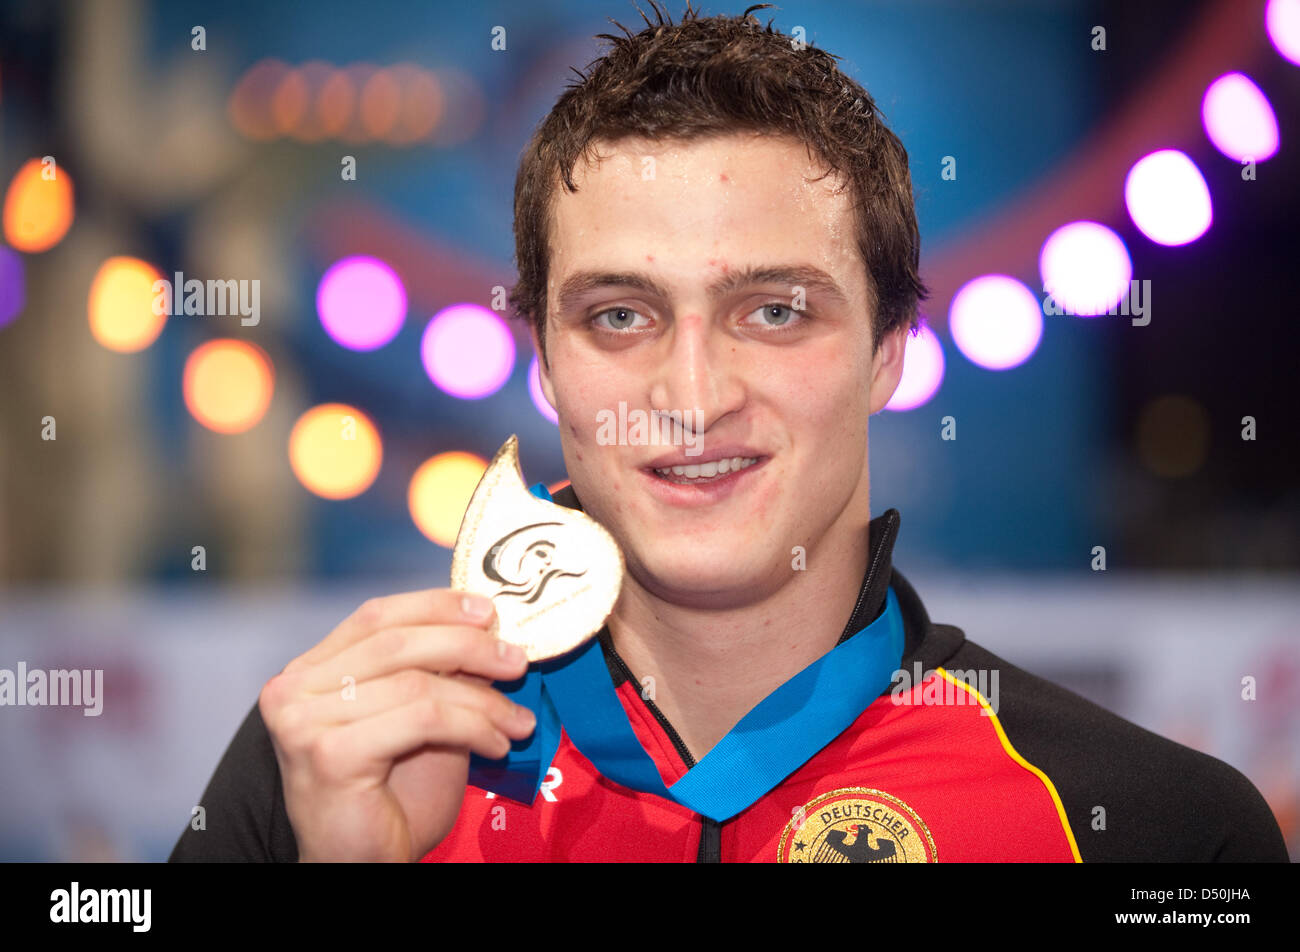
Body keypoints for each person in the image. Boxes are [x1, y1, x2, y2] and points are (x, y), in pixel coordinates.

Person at [169, 2, 1287, 863]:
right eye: (620, 314)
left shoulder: (1155, 830)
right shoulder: (332, 763)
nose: (692, 393)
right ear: (545, 362)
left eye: (773, 310)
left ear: (890, 352)